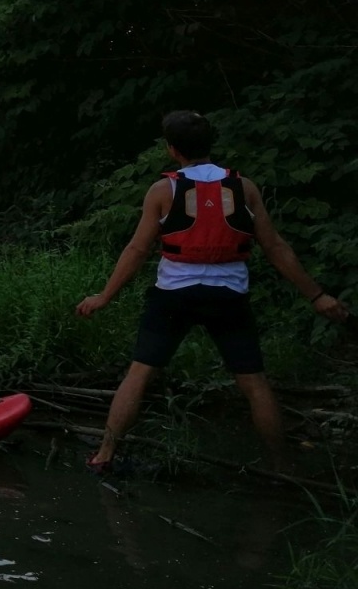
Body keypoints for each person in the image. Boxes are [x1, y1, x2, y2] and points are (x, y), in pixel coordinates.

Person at [76, 110, 348, 473]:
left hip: (174, 295)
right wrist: (317, 295)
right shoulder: (244, 188)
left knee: (138, 375)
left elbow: (137, 250)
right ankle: (282, 466)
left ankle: (105, 455)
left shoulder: (163, 190)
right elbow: (275, 247)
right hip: (228, 296)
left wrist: (104, 296)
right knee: (254, 383)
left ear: (172, 150)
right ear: (210, 144)